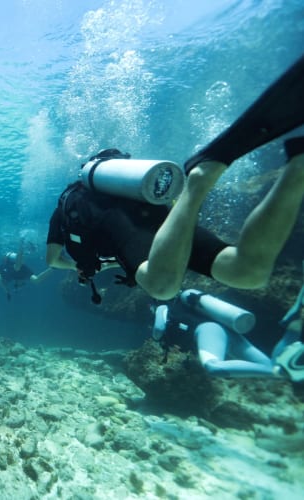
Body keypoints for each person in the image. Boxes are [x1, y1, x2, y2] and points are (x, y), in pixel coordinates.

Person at [46, 54, 304, 301]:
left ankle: (198, 180)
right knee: (246, 271)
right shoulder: (119, 190)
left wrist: (77, 267)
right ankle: (298, 166)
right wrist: (115, 264)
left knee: (162, 286)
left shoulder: (67, 205)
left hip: (124, 226)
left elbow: (53, 259)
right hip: (156, 211)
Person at [150, 279, 304, 381]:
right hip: (228, 332)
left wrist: (157, 337)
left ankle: (283, 369)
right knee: (271, 365)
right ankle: (295, 324)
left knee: (213, 366)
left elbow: (158, 329)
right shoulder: (185, 303)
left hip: (208, 331)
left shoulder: (163, 306)